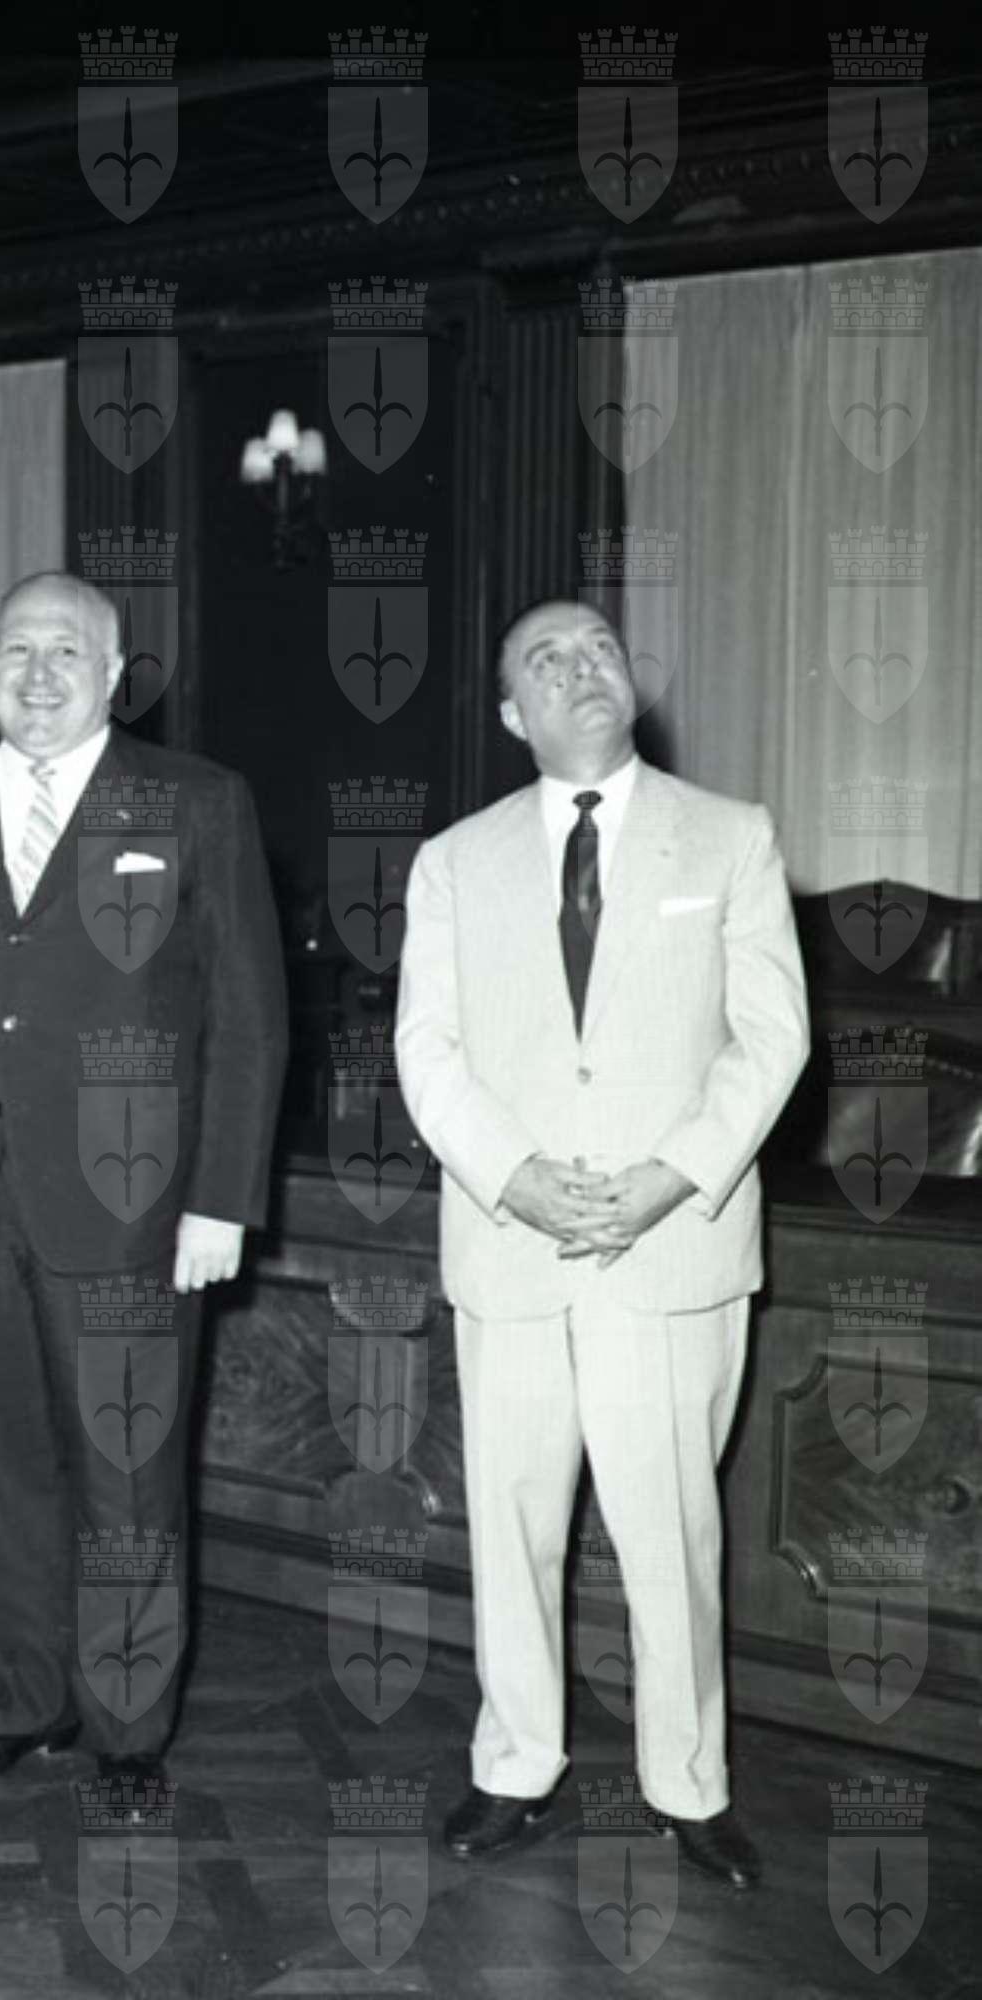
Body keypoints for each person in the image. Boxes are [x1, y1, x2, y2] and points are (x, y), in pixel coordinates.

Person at [394, 599, 809, 1890]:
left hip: (668, 1246)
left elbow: (771, 1038)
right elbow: (426, 1051)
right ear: (510, 715)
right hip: (511, 1245)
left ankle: (688, 1783)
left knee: (669, 1532)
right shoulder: (452, 861)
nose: (580, 668)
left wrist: (668, 1178)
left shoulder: (729, 835)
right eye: (545, 659)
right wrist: (513, 1178)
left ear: (629, 683)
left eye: (598, 650)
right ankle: (515, 1763)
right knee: (509, 1524)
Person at [0, 571, 286, 1806]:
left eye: (66, 651)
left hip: (135, 1201)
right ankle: (26, 1699)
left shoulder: (195, 799)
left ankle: (127, 1728)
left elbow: (250, 1016)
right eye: (16, 649)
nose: (38, 673)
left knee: (128, 1472)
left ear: (116, 673)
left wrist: (221, 1199)